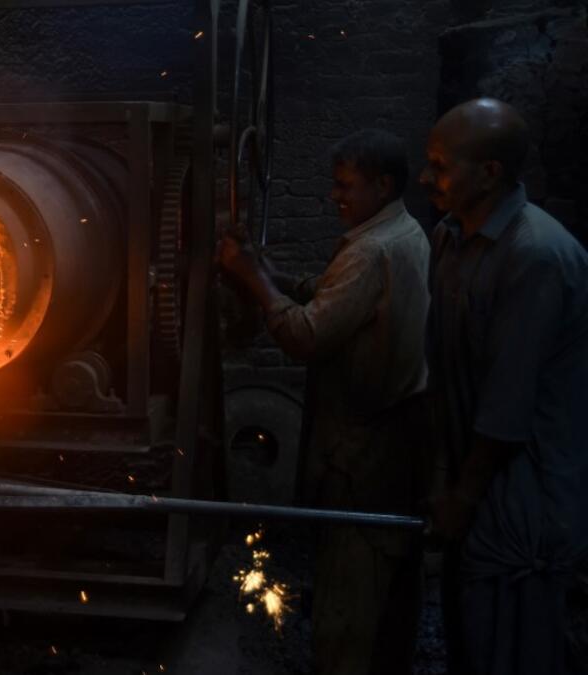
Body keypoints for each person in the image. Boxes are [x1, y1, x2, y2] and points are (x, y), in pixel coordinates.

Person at [218, 129, 431, 675]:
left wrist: (253, 281)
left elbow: (306, 336)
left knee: (349, 603)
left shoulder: (371, 250)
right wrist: (268, 273)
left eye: (345, 186)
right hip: (393, 442)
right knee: (384, 595)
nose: (335, 197)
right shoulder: (403, 231)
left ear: (381, 185)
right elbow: (328, 294)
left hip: (363, 453)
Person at [422, 98, 588, 675]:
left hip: (523, 497)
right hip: (474, 482)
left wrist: (461, 497)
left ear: (489, 172)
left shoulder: (536, 255)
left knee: (514, 650)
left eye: (441, 166)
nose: (426, 178)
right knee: (472, 638)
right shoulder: (450, 239)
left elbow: (507, 404)